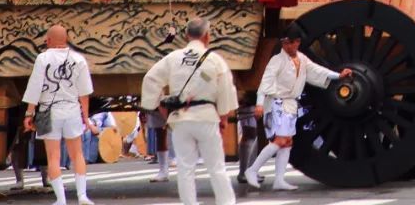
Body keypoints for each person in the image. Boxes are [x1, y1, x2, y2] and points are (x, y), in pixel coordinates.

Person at [140, 17, 238, 205]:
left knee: (185, 168)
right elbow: (226, 88)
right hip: (206, 116)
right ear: (207, 36)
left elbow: (151, 79)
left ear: (186, 36)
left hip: (180, 118)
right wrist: (224, 116)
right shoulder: (214, 59)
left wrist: (159, 106)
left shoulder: (173, 58)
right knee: (216, 167)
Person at [245, 24, 351, 189]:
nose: (287, 46)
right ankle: (252, 170)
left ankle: (279, 180)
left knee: (287, 142)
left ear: (297, 42)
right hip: (276, 103)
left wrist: (338, 75)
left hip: (290, 104)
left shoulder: (302, 59)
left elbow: (318, 71)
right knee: (279, 140)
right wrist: (259, 104)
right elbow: (265, 83)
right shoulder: (277, 60)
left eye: (290, 42)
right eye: (284, 42)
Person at [22, 25, 97, 205]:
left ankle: (61, 199)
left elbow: (35, 88)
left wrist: (29, 113)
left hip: (46, 110)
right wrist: (85, 117)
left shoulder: (42, 58)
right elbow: (84, 92)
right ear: (67, 39)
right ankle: (82, 196)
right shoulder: (79, 59)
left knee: (53, 156)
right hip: (71, 108)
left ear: (48, 40)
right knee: (77, 154)